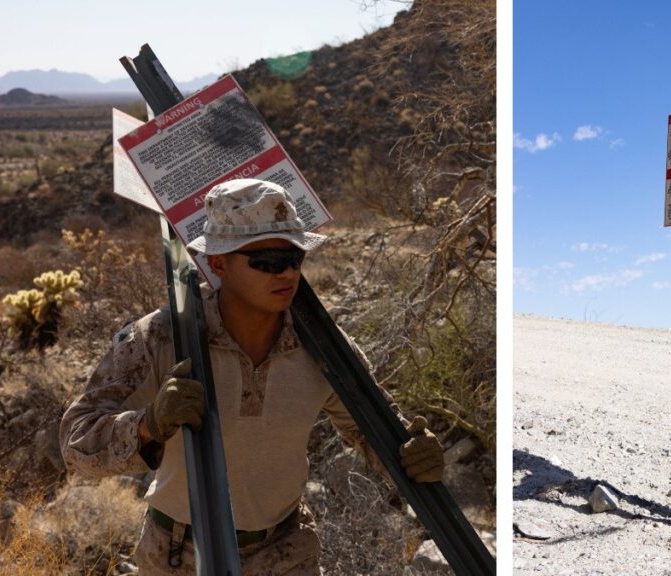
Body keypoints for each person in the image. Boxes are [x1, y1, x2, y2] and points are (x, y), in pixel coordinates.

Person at [59, 179, 445, 575]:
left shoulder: (324, 349)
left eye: (295, 257)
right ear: (218, 263)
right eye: (267, 261)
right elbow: (75, 444)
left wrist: (412, 454)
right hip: (177, 557)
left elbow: (372, 432)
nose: (288, 273)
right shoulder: (161, 338)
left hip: (286, 553)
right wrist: (148, 425)